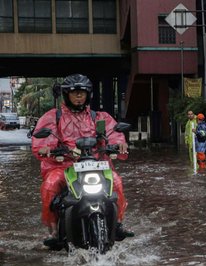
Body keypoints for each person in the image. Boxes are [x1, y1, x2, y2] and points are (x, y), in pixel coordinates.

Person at [31, 73, 134, 246]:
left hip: (95, 164)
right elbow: (42, 140)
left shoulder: (99, 117)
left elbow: (113, 134)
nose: (79, 96)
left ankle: (117, 223)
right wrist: (47, 147)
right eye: (74, 92)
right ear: (66, 95)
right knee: (50, 184)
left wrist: (118, 144)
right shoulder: (53, 117)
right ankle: (54, 229)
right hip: (64, 164)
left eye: (82, 92)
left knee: (116, 181)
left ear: (88, 95)